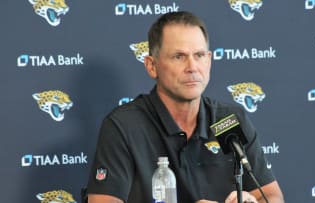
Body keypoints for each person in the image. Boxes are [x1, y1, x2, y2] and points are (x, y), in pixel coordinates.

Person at [87, 11, 285, 203]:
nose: (192, 67)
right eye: (179, 56)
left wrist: (252, 201)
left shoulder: (228, 121)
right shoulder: (124, 127)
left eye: (199, 55)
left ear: (209, 60)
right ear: (151, 65)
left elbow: (271, 195)